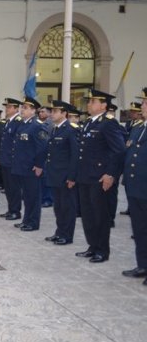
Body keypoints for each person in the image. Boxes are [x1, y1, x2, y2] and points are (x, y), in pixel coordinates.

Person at [75, 89, 125, 263]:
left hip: (99, 177)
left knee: (100, 215)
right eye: (89, 102)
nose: (88, 104)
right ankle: (93, 246)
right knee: (87, 214)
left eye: (93, 101)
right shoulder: (88, 122)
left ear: (104, 105)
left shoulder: (109, 123)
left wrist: (110, 174)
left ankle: (102, 251)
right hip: (85, 175)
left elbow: (118, 150)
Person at [44, 100, 79, 245]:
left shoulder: (71, 129)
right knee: (58, 206)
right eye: (52, 111)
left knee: (67, 207)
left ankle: (67, 235)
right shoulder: (55, 129)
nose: (52, 114)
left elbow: (75, 155)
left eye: (55, 111)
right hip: (55, 174)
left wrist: (72, 177)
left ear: (64, 113)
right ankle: (59, 232)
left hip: (65, 176)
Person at [11, 97, 49, 231]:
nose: (22, 110)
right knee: (27, 196)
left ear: (34, 110)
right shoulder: (23, 124)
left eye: (26, 108)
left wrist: (39, 165)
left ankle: (33, 222)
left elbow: (43, 147)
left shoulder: (37, 125)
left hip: (32, 168)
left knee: (33, 196)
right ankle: (26, 220)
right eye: (22, 107)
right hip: (22, 167)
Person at [122, 87, 147, 285]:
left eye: (145, 103)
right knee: (139, 228)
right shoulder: (138, 127)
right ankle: (143, 265)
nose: (142, 106)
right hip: (136, 187)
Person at [0, 98, 23, 221]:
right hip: (5, 160)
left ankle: (15, 211)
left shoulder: (18, 122)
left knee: (14, 188)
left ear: (16, 109)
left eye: (9, 107)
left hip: (12, 160)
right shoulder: (8, 122)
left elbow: (16, 143)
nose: (7, 109)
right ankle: (10, 209)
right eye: (6, 107)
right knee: (8, 187)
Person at [120, 101, 143, 216]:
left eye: (134, 112)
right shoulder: (132, 124)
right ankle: (131, 207)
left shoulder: (140, 125)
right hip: (129, 155)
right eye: (132, 112)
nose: (132, 114)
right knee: (129, 187)